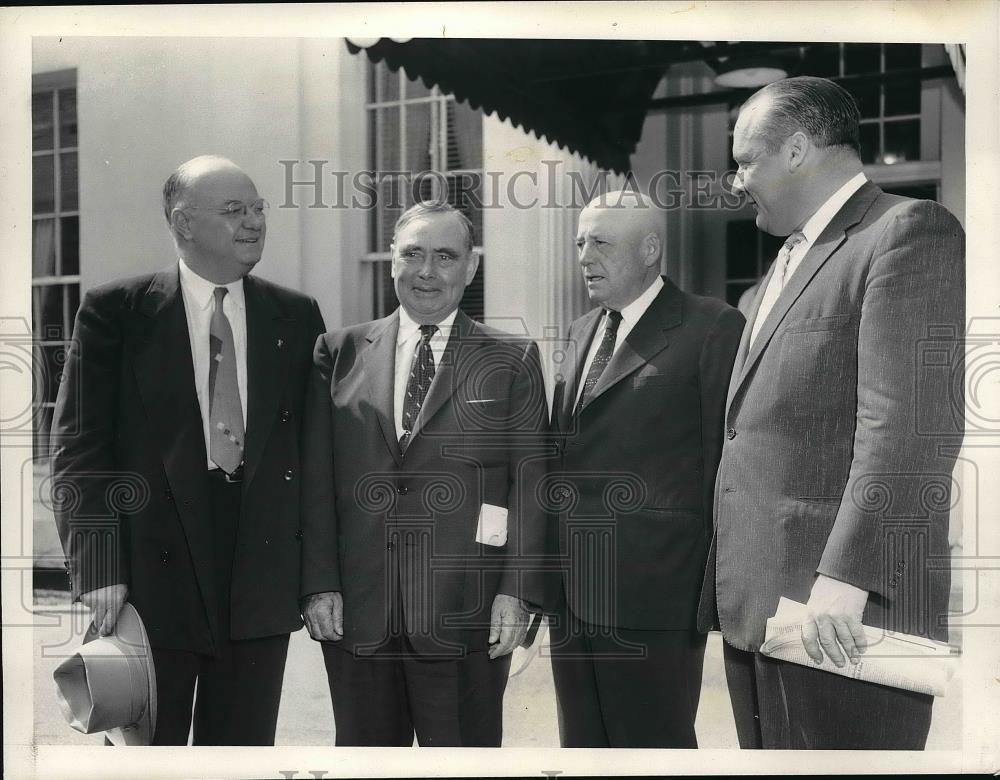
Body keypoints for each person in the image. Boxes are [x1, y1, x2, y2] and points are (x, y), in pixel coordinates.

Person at [699, 76, 965, 749]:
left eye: (745, 160)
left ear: (795, 150)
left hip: (837, 615)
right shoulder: (777, 272)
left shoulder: (906, 231)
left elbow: (909, 427)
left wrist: (849, 576)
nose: (736, 182)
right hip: (759, 610)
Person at [50, 155, 326, 745]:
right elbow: (79, 449)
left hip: (259, 571)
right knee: (153, 751)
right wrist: (99, 568)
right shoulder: (115, 312)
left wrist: (316, 575)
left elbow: (314, 454)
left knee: (242, 752)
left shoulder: (296, 316)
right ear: (183, 223)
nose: (253, 223)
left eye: (257, 209)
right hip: (153, 576)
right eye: (233, 211)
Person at [300, 201, 549, 746]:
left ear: (470, 267)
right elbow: (315, 482)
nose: (426, 271)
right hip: (358, 616)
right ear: (392, 259)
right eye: (412, 253)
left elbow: (532, 488)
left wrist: (516, 593)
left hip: (466, 617)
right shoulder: (337, 353)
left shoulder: (513, 359)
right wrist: (320, 583)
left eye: (444, 256)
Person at [546, 190, 745, 747]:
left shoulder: (711, 327)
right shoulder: (583, 330)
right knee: (583, 750)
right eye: (581, 242)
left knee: (654, 750)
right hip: (574, 592)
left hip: (657, 595)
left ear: (651, 248)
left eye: (601, 243)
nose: (584, 256)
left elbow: (724, 465)